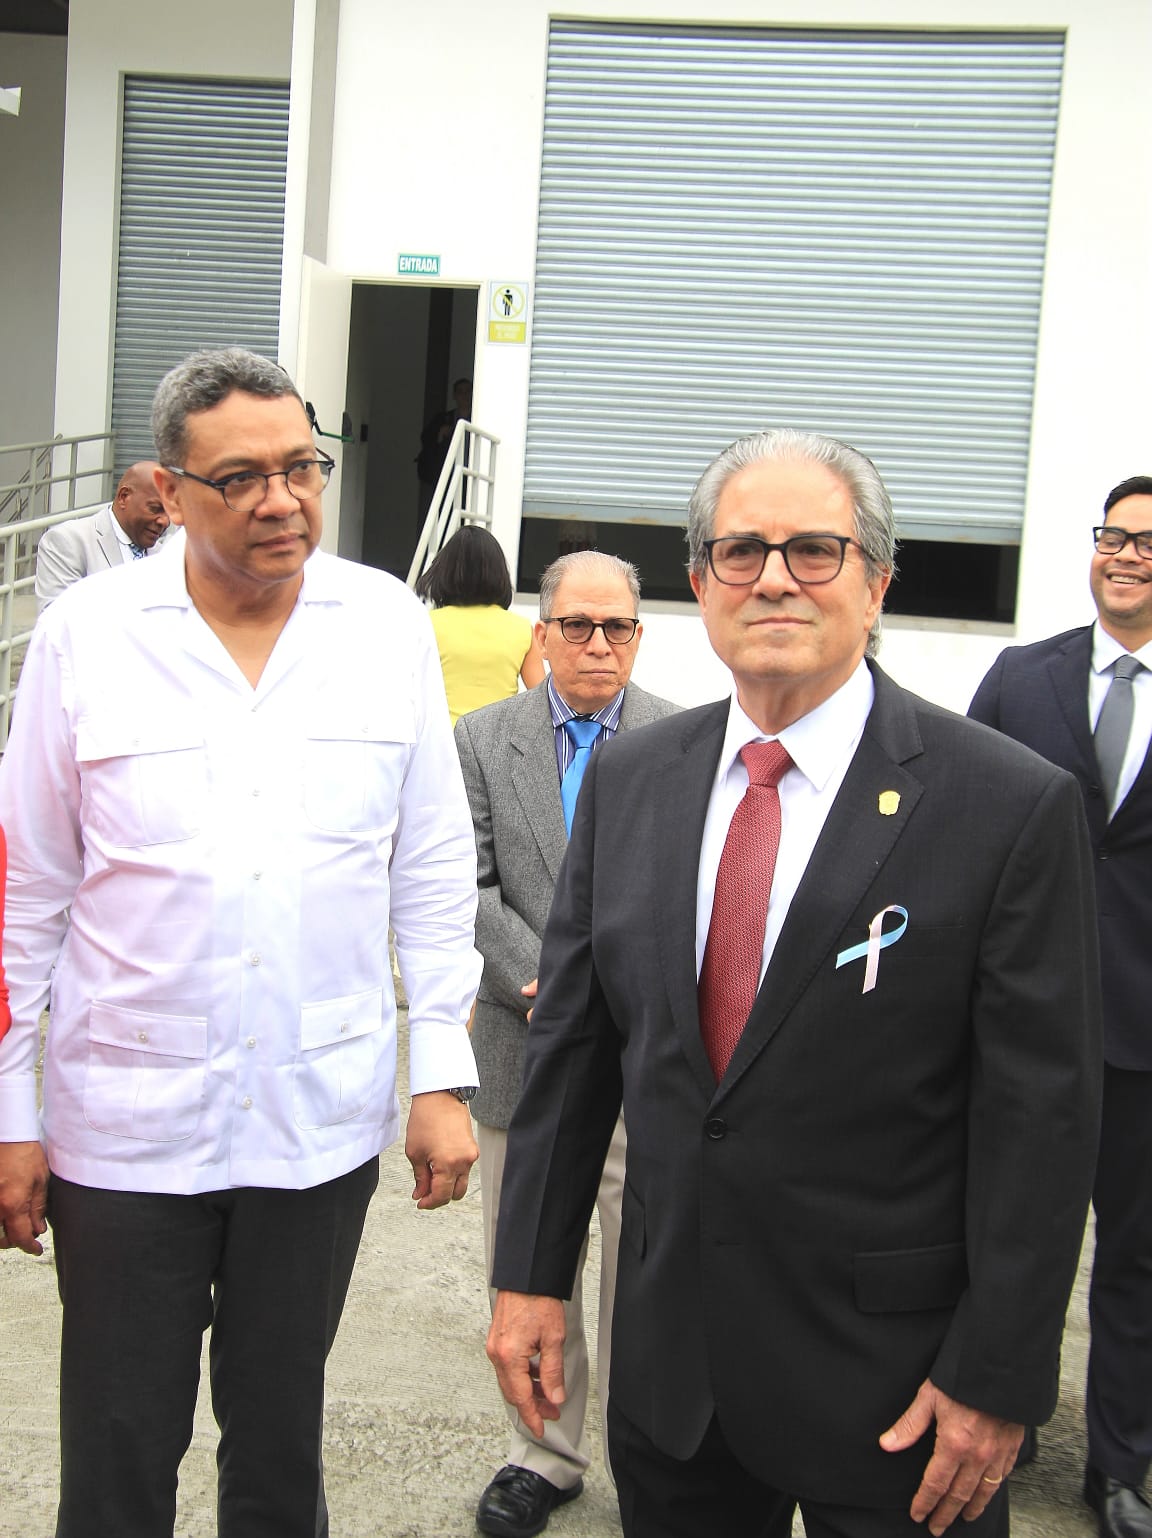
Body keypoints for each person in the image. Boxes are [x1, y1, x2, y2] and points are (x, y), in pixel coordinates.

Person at [486, 428, 1102, 1538]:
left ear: (877, 581)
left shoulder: (1006, 805)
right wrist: (529, 1276)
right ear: (700, 583)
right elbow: (575, 1053)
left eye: (815, 549)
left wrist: (998, 1372)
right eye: (741, 551)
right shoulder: (633, 781)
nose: (774, 577)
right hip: (676, 1378)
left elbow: (1042, 1121)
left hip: (904, 1398)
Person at [0, 347, 482, 1538]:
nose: (283, 500)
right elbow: (26, 890)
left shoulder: (382, 623)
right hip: (126, 1128)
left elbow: (430, 861)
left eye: (301, 467)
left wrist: (441, 1072)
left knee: (278, 1447)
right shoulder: (88, 633)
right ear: (169, 491)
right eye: (242, 478)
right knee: (119, 1450)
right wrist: (10, 1112)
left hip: (317, 1117)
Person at [455, 550, 679, 1538]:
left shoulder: (684, 737)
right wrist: (538, 978)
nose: (598, 644)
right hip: (526, 1042)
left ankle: (646, 1450)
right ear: (540, 633)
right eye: (577, 625)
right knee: (529, 1260)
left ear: (638, 634)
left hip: (644, 1054)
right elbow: (464, 881)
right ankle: (542, 1452)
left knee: (645, 1266)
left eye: (616, 626)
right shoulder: (480, 739)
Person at [968, 475, 1152, 1538]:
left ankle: (1122, 1466)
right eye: (1112, 535)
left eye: (1147, 542)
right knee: (1006, 1227)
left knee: (1137, 1255)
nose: (1124, 554)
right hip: (1020, 1020)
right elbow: (957, 827)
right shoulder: (1020, 676)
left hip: (1145, 1040)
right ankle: (1006, 1407)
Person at [415, 523, 545, 724]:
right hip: (498, 738)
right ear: (499, 573)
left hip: (443, 738)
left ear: (445, 571)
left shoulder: (426, 625)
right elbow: (541, 702)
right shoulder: (522, 629)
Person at [35, 459, 171, 612]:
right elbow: (58, 619)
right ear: (124, 497)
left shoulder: (165, 556)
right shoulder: (68, 541)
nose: (165, 521)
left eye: (170, 512)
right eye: (155, 508)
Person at [417, 377, 473, 511]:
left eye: (468, 391)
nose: (464, 395)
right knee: (445, 509)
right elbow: (426, 440)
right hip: (447, 474)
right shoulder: (443, 419)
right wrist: (440, 434)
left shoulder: (480, 418)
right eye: (460, 392)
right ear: (454, 396)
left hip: (471, 474)